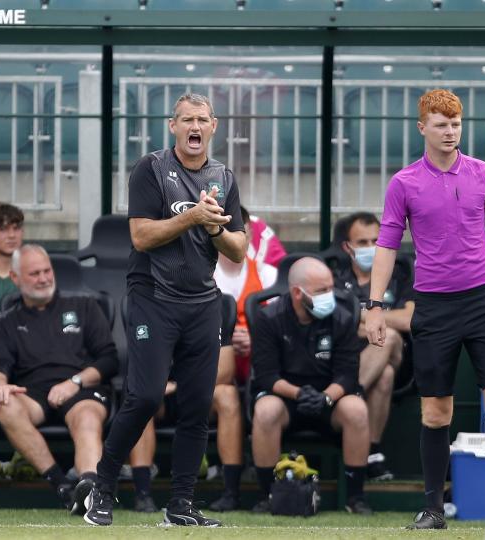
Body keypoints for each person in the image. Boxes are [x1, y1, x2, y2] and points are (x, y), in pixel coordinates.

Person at [81, 93, 247, 527]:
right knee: (146, 396)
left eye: (202, 120)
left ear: (215, 126)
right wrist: (191, 218)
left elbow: (239, 249)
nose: (195, 127)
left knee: (196, 404)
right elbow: (140, 236)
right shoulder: (151, 169)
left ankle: (181, 504)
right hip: (153, 298)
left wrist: (213, 228)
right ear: (172, 126)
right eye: (186, 120)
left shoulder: (224, 177)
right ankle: (102, 488)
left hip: (202, 303)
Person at [365, 89, 485, 530]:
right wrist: (375, 307)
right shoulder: (404, 182)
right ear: (422, 127)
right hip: (432, 306)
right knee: (436, 412)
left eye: (455, 124)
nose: (450, 132)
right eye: (441, 124)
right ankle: (432, 509)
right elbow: (387, 245)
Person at [0, 244, 118, 509]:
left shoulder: (84, 306)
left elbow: (109, 359)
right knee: (3, 402)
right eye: (34, 273)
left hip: (81, 388)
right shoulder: (5, 322)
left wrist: (74, 383)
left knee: (87, 417)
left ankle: (91, 492)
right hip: (33, 393)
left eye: (47, 271)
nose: (44, 278)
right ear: (15, 278)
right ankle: (63, 486)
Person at [249, 257, 373, 515]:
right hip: (285, 397)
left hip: (330, 400)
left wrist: (325, 398)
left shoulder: (342, 317)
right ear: (297, 293)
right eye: (321, 291)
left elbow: (348, 375)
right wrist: (298, 394)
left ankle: (355, 498)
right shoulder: (268, 317)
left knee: (357, 410)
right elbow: (266, 376)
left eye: (330, 288)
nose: (330, 295)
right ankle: (269, 495)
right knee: (265, 410)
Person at [125, 308, 238, 513]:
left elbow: (225, 371)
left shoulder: (216, 306)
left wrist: (180, 385)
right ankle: (143, 495)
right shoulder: (150, 307)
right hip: (162, 394)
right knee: (142, 398)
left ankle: (231, 493)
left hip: (198, 390)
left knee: (228, 395)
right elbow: (141, 364)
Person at [333, 211, 413, 481]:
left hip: (400, 359)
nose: (371, 248)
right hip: (348, 359)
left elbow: (409, 320)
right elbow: (339, 325)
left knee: (388, 337)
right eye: (363, 242)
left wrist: (366, 317)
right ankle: (373, 454)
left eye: (376, 241)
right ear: (348, 247)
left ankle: (349, 396)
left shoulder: (400, 274)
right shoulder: (336, 279)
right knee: (385, 375)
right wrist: (381, 318)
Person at [214, 205, 278, 386]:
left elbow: (281, 325)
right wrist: (226, 339)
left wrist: (256, 338)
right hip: (214, 362)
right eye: (229, 231)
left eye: (242, 231)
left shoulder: (268, 275)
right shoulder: (200, 276)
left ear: (250, 233)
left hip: (259, 363)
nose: (236, 239)